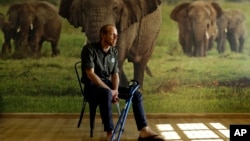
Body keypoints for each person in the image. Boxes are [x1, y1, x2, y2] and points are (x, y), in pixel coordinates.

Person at [81, 24, 164, 141]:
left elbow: (115, 74)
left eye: (116, 35)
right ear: (103, 35)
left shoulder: (114, 51)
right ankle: (110, 132)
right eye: (112, 35)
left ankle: (144, 130)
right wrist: (110, 91)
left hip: (108, 86)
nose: (116, 38)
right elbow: (90, 74)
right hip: (92, 87)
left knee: (136, 94)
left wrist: (115, 90)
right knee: (106, 93)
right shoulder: (89, 49)